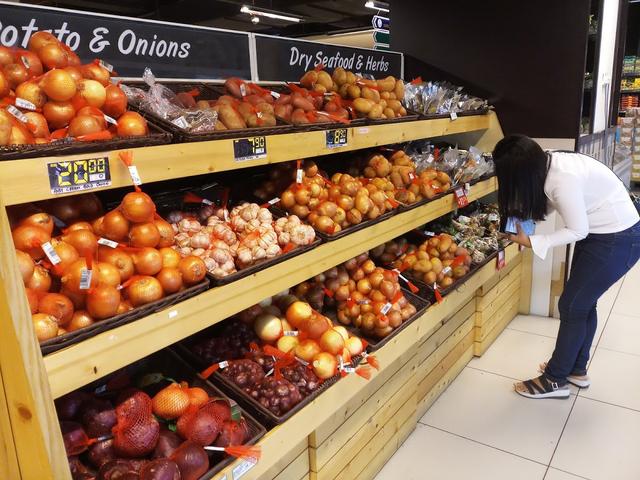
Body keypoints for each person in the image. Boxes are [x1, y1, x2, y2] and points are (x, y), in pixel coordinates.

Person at [492, 134, 640, 399]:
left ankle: (554, 380)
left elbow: (577, 229)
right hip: (604, 233)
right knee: (583, 304)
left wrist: (534, 241)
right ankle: (576, 370)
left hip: (618, 238)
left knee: (571, 306)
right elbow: (556, 206)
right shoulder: (544, 162)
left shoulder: (561, 180)